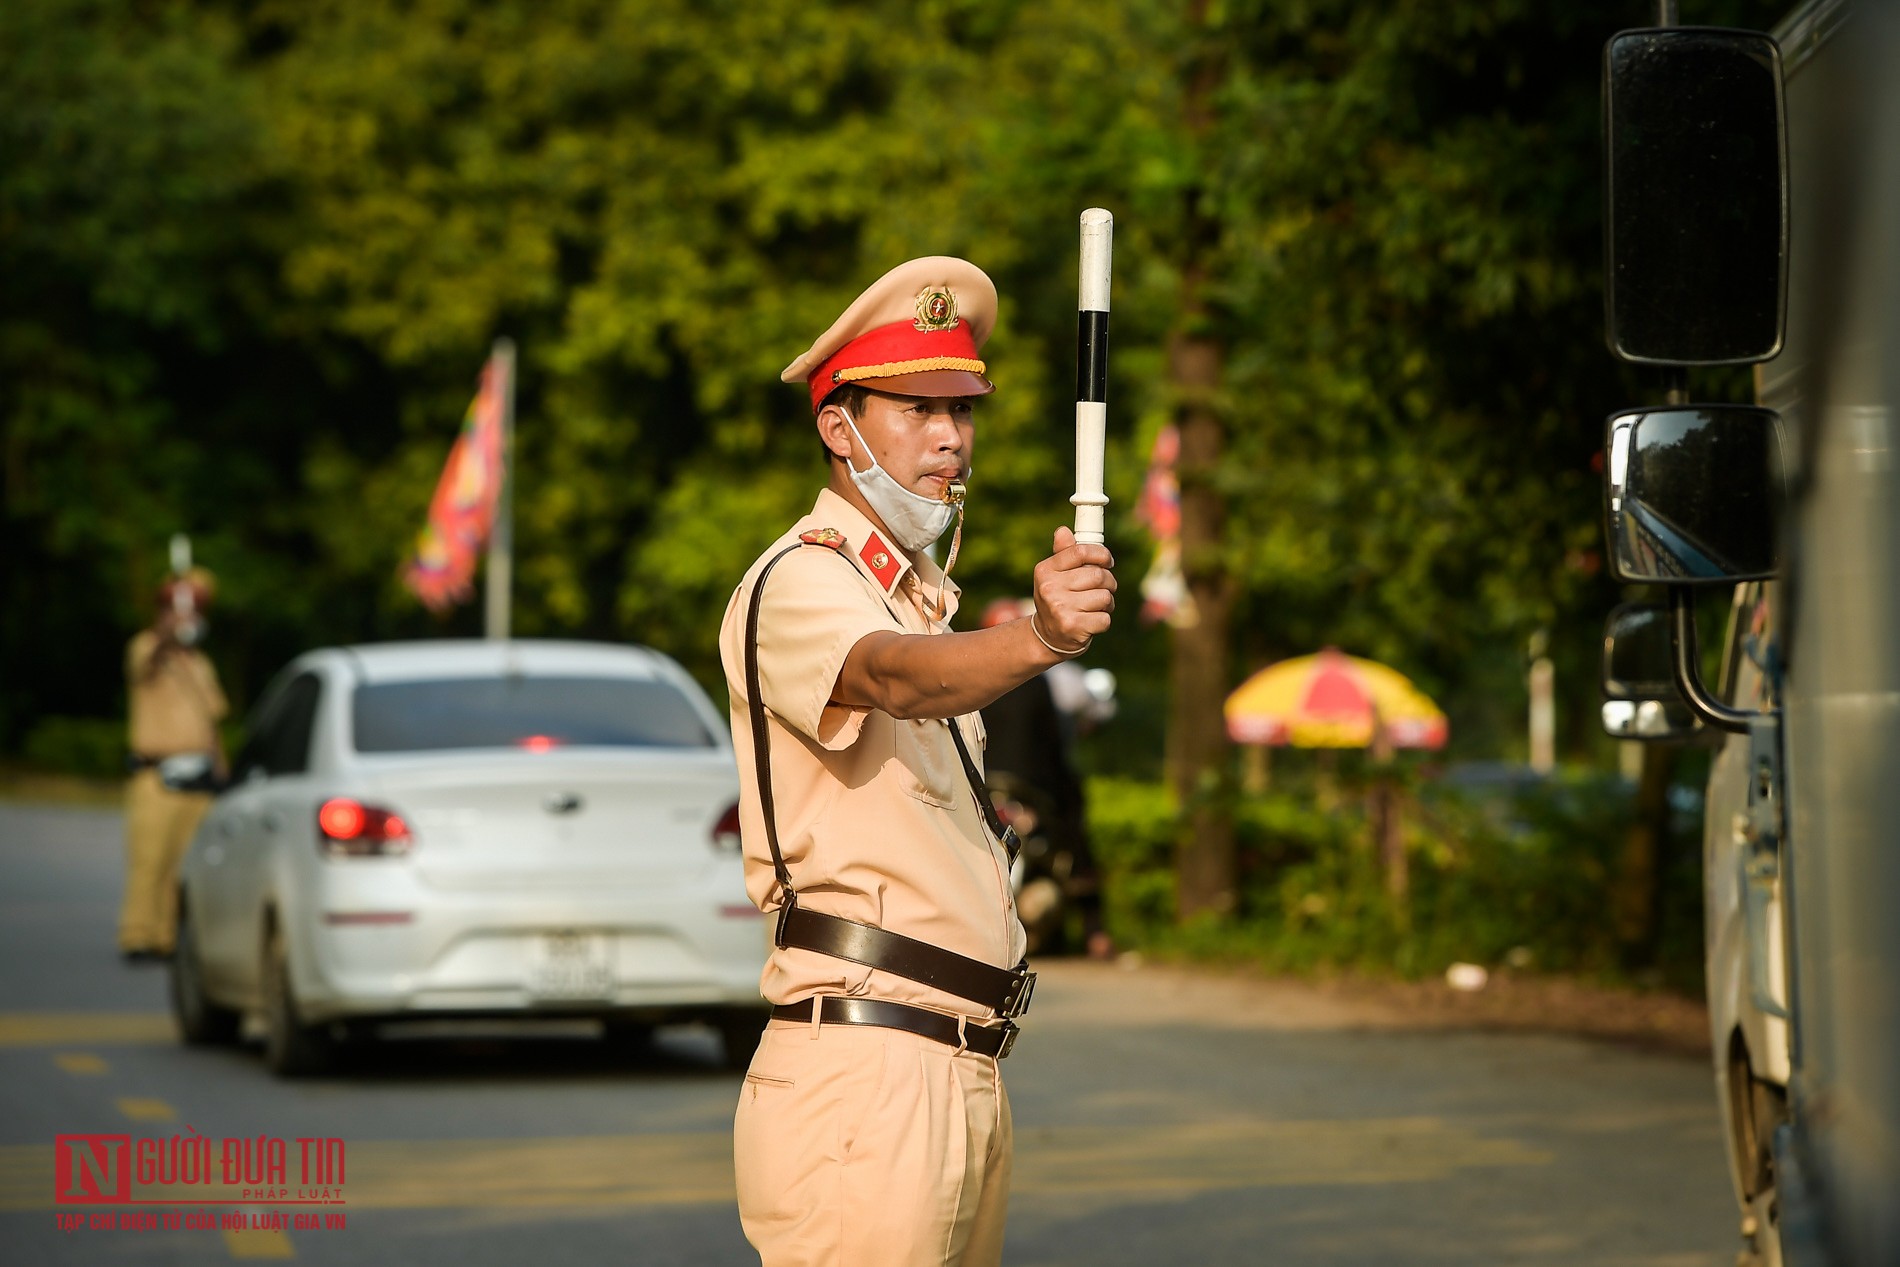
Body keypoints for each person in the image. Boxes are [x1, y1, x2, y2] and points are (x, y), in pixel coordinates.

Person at [718, 256, 1117, 1266]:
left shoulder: (916, 596)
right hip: (867, 1063)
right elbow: (894, 677)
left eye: (963, 408)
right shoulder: (800, 578)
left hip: (956, 1063)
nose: (949, 436)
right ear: (837, 425)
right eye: (916, 407)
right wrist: (1041, 639)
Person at [976, 599, 1112, 959]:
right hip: (1030, 786)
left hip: (980, 785)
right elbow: (1051, 743)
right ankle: (1095, 929)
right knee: (1074, 820)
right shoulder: (1036, 680)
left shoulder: (967, 673)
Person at [120, 568, 227, 962]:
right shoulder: (146, 648)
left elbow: (212, 723)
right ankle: (137, 935)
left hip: (197, 778)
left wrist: (223, 773)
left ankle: (166, 937)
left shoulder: (200, 664)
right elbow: (143, 664)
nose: (191, 619)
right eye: (185, 608)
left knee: (183, 865)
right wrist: (168, 630)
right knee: (149, 860)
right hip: (156, 774)